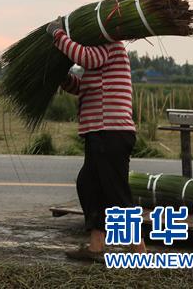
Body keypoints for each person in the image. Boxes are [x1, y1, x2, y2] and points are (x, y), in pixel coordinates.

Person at [46, 17, 147, 261]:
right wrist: (62, 77)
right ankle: (96, 246)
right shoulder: (99, 57)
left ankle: (139, 250)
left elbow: (86, 58)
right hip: (99, 132)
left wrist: (58, 35)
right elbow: (82, 87)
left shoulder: (111, 46)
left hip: (110, 131)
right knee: (90, 186)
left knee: (116, 192)